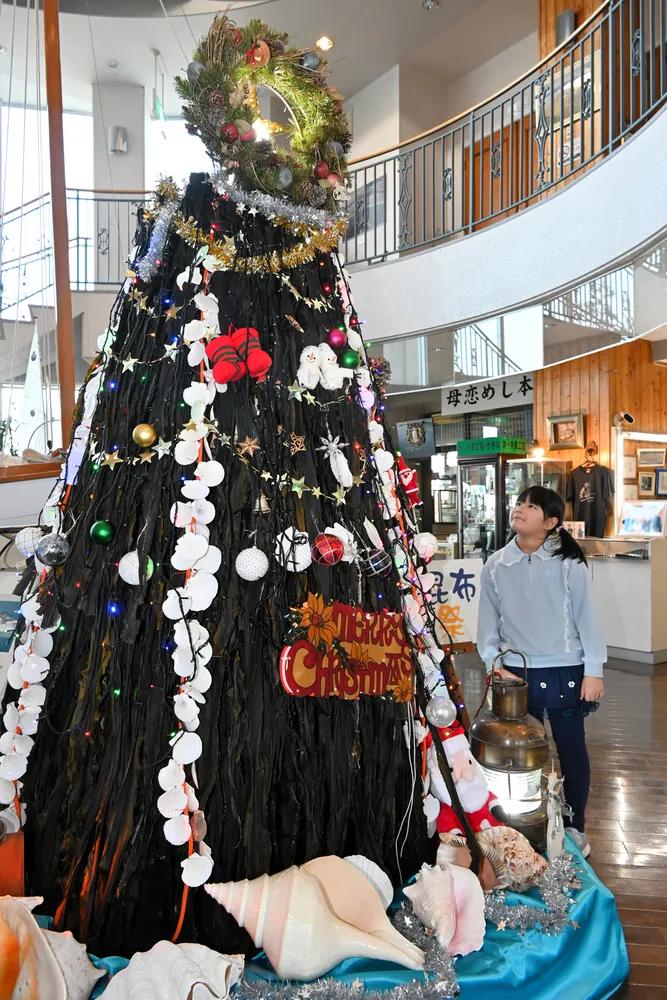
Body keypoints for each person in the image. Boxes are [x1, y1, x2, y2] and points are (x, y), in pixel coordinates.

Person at [477, 486, 606, 858]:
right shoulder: (497, 564)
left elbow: (587, 618)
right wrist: (492, 665)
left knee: (571, 750)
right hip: (516, 673)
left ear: (551, 523)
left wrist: (593, 670)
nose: (520, 509)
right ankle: (520, 825)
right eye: (519, 503)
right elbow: (488, 624)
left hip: (566, 667)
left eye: (531, 506)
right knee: (516, 755)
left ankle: (574, 826)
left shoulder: (570, 563)